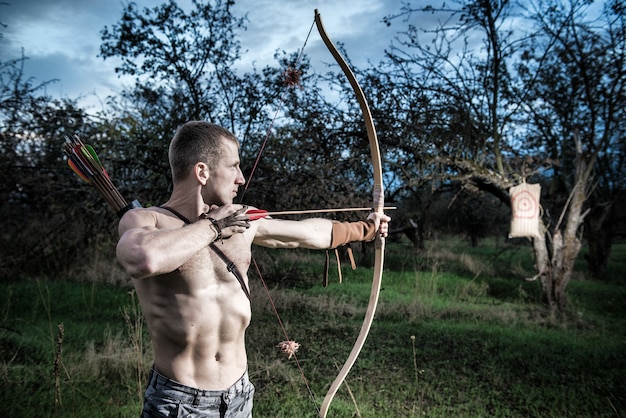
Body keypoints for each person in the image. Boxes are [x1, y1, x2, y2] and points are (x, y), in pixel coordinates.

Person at [116, 121, 390, 417]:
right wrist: (212, 227)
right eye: (233, 166)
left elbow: (307, 233)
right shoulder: (147, 221)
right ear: (202, 172)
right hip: (180, 401)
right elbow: (143, 258)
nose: (241, 178)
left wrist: (366, 228)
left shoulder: (239, 220)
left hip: (238, 395)